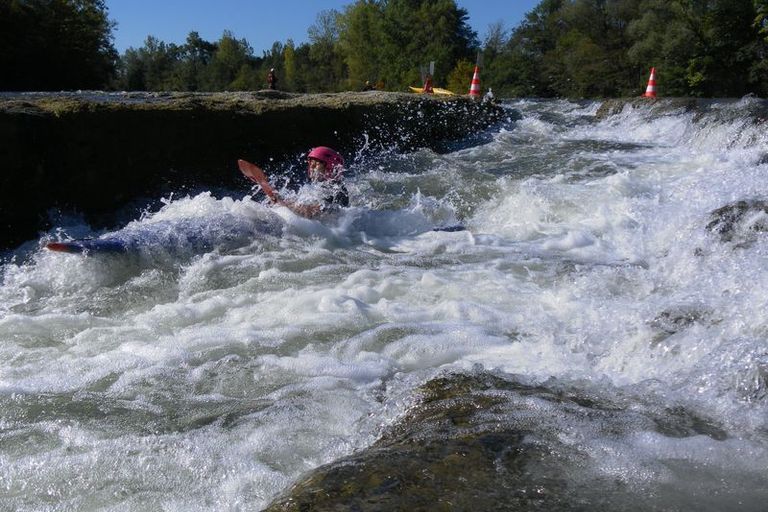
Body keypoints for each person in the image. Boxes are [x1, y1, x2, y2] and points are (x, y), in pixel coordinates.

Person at [272, 146, 349, 218]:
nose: (311, 168)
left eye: (316, 165)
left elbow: (310, 213)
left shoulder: (336, 190)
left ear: (330, 168)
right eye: (311, 164)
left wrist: (283, 203)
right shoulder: (323, 186)